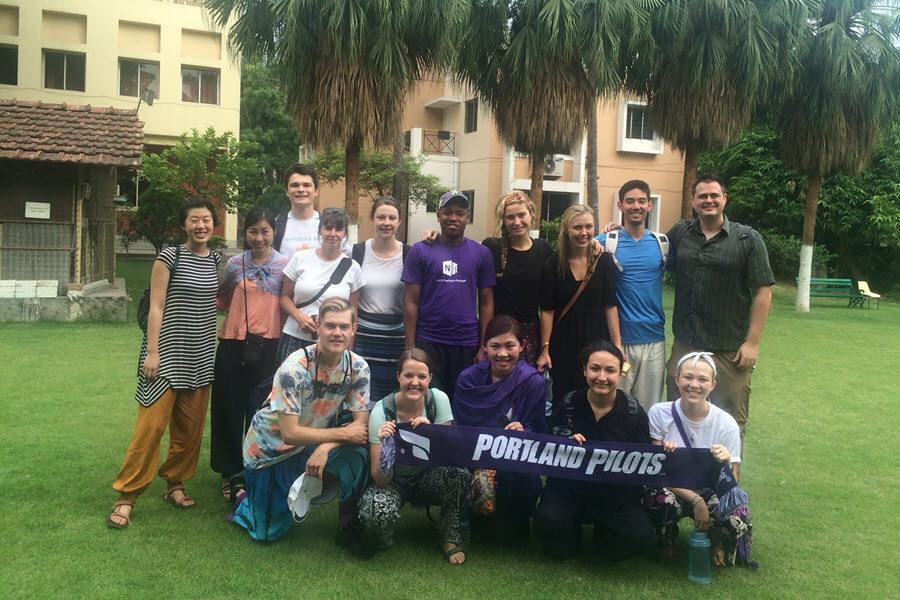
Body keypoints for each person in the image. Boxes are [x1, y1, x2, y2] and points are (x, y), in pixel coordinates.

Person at [107, 198, 221, 529]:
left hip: (199, 356)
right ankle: (127, 496)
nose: (201, 225)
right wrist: (152, 352)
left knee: (190, 430)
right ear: (183, 225)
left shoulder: (214, 260)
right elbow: (156, 306)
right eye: (194, 220)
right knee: (151, 428)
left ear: (214, 225)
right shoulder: (169, 257)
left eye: (207, 220)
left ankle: (175, 483)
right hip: (166, 355)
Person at [230, 297, 370, 543]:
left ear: (353, 330)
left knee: (359, 454)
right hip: (270, 450)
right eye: (330, 326)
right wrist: (343, 434)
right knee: (266, 533)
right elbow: (290, 434)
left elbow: (360, 427)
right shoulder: (294, 368)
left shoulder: (358, 367)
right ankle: (242, 497)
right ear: (318, 327)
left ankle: (349, 525)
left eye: (344, 327)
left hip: (312, 442)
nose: (337, 333)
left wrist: (325, 448)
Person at [665, 175, 774, 438]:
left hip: (730, 350)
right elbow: (646, 247)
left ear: (724, 199)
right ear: (693, 201)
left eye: (714, 195)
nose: (708, 200)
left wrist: (752, 343)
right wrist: (615, 231)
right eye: (702, 196)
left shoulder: (746, 239)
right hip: (686, 344)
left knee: (731, 424)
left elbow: (762, 292)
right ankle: (677, 477)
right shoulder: (680, 233)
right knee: (677, 416)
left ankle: (726, 478)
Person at [533, 341, 656, 560]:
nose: (602, 377)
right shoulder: (569, 403)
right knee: (547, 525)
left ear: (621, 374)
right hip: (569, 489)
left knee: (640, 535)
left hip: (614, 494)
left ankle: (605, 535)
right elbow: (547, 445)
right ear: (584, 370)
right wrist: (564, 441)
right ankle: (570, 533)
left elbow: (644, 462)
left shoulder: (634, 412)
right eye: (595, 368)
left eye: (610, 370)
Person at [357, 349, 469, 564]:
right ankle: (384, 535)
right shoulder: (381, 412)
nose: (415, 382)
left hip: (428, 475)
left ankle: (449, 536)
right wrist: (386, 447)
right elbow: (380, 479)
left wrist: (431, 435)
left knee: (458, 474)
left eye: (422, 377)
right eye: (408, 375)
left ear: (430, 379)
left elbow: (447, 458)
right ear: (398, 376)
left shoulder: (438, 400)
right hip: (394, 482)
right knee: (373, 513)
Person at [211, 208, 290, 501]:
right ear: (245, 233)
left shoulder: (286, 266)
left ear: (274, 233)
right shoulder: (234, 265)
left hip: (270, 347)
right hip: (234, 344)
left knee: (262, 411)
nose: (259, 237)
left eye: (265, 231)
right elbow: (221, 300)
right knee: (228, 408)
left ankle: (255, 466)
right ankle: (229, 472)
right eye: (253, 231)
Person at [645, 352, 750, 566]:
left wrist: (727, 462)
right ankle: (666, 535)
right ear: (676, 379)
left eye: (703, 379)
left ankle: (718, 540)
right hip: (672, 487)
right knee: (659, 501)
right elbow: (656, 472)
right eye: (688, 377)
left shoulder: (726, 423)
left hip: (709, 488)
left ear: (713, 384)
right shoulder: (659, 413)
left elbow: (734, 485)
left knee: (736, 518)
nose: (694, 385)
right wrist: (696, 500)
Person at [454, 316, 546, 543]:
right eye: (495, 346)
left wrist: (523, 430)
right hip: (473, 452)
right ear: (485, 346)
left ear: (522, 346)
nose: (502, 354)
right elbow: (460, 425)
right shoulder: (468, 379)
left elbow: (538, 429)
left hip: (514, 454)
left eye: (510, 346)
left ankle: (517, 521)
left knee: (527, 481)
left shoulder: (533, 382)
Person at [402, 190, 495, 402]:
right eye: (447, 212)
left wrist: (483, 345)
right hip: (428, 341)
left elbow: (487, 303)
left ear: (467, 217)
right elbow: (411, 302)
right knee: (431, 403)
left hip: (466, 343)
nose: (453, 217)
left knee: (463, 402)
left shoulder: (481, 254)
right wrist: (410, 349)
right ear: (438, 215)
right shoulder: (420, 251)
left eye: (459, 213)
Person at [537, 204, 622, 402]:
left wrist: (617, 345)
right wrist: (545, 349)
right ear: (566, 230)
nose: (584, 233)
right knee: (563, 398)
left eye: (588, 227)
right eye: (577, 227)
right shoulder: (553, 264)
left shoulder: (603, 261)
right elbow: (547, 310)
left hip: (596, 342)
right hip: (563, 344)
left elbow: (610, 304)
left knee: (596, 396)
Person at [596, 180, 668, 410]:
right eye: (629, 201)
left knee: (649, 409)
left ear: (649, 205)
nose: (635, 206)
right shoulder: (605, 242)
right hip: (619, 342)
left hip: (654, 341)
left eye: (641, 201)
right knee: (615, 407)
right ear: (620, 205)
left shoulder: (662, 244)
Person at [278, 207, 365, 364]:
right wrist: (299, 317)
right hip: (295, 338)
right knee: (290, 386)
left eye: (338, 229)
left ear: (345, 233)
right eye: (328, 228)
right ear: (319, 230)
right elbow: (284, 297)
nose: (333, 233)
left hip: (333, 343)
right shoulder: (300, 258)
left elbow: (353, 313)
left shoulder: (353, 268)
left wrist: (348, 351)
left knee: (328, 387)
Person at [481, 192, 553, 366]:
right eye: (510, 217)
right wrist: (435, 238)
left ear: (531, 214)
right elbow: (463, 253)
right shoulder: (492, 248)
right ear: (504, 221)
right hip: (498, 335)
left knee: (527, 388)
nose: (517, 222)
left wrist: (594, 244)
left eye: (522, 215)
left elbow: (548, 306)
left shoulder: (543, 249)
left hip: (530, 336)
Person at [351, 197, 411, 401]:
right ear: (372, 219)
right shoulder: (357, 252)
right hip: (364, 336)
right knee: (361, 392)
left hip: (396, 337)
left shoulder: (409, 254)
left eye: (392, 218)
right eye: (381, 217)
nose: (387, 222)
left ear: (399, 222)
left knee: (393, 397)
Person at [273, 163, 348, 256]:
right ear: (287, 191)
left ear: (316, 190)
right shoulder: (276, 226)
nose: (301, 189)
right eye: (295, 185)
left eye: (306, 185)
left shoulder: (332, 224)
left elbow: (344, 261)